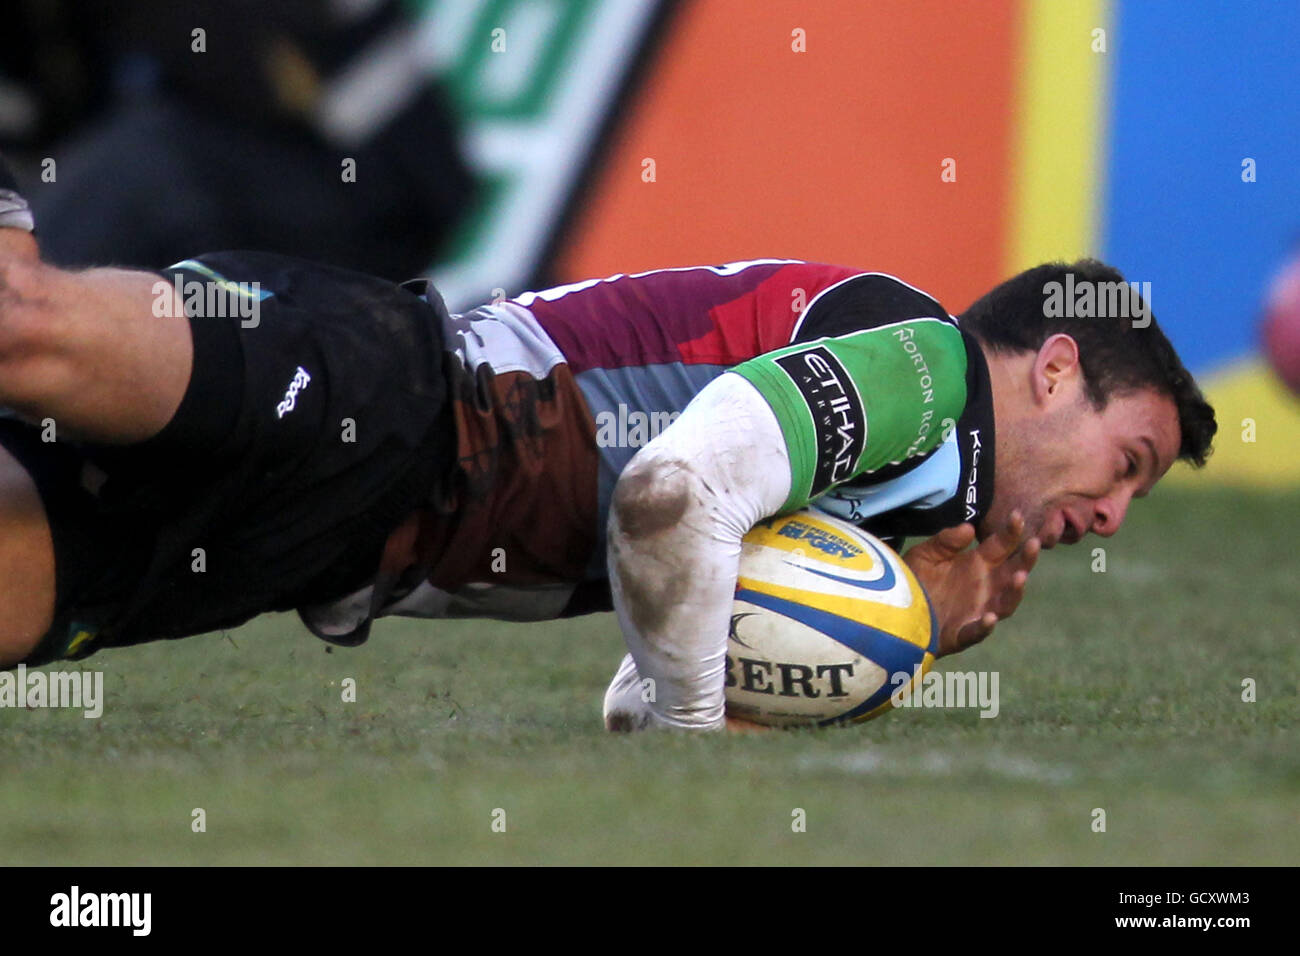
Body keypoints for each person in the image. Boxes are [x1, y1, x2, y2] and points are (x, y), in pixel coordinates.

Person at [0, 163, 1216, 733]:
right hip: (399, 402)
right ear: (1056, 366)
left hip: (328, 542)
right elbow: (671, 496)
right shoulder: (920, 362)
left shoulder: (895, 497)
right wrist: (692, 743)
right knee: (23, 325)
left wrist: (898, 632)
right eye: (1130, 462)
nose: (1112, 515)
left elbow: (648, 679)